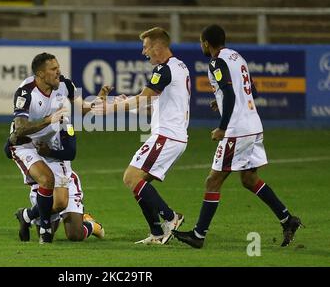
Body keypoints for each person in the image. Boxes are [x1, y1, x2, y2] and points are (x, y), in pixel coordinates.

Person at [172, 24, 303, 248]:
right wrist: (220, 100)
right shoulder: (236, 57)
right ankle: (288, 219)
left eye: (201, 42)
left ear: (206, 43)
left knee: (213, 181)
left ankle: (198, 235)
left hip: (237, 130)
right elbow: (250, 87)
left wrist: (222, 127)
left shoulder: (215, 62)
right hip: (254, 125)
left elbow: (231, 93)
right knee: (249, 179)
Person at [93, 27, 190, 245]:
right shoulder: (180, 66)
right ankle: (156, 233)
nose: (143, 52)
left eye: (145, 47)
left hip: (167, 136)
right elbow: (153, 103)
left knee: (131, 177)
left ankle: (171, 217)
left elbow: (144, 98)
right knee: (137, 181)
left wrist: (110, 109)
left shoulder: (164, 69)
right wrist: (125, 104)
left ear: (158, 46)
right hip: (172, 135)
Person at [6, 52, 109, 243]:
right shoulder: (25, 92)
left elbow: (84, 108)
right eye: (53, 69)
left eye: (58, 67)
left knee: (73, 230)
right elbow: (20, 129)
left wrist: (100, 100)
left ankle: (30, 216)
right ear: (40, 74)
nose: (58, 72)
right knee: (46, 180)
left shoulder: (65, 84)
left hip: (52, 147)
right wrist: (48, 120)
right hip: (26, 144)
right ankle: (44, 226)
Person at [6, 125, 105, 242]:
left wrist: (49, 152)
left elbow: (71, 153)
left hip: (64, 181)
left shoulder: (63, 123)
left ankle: (90, 224)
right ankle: (35, 215)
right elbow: (8, 151)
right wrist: (12, 140)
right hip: (41, 185)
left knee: (75, 235)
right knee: (47, 232)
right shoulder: (24, 123)